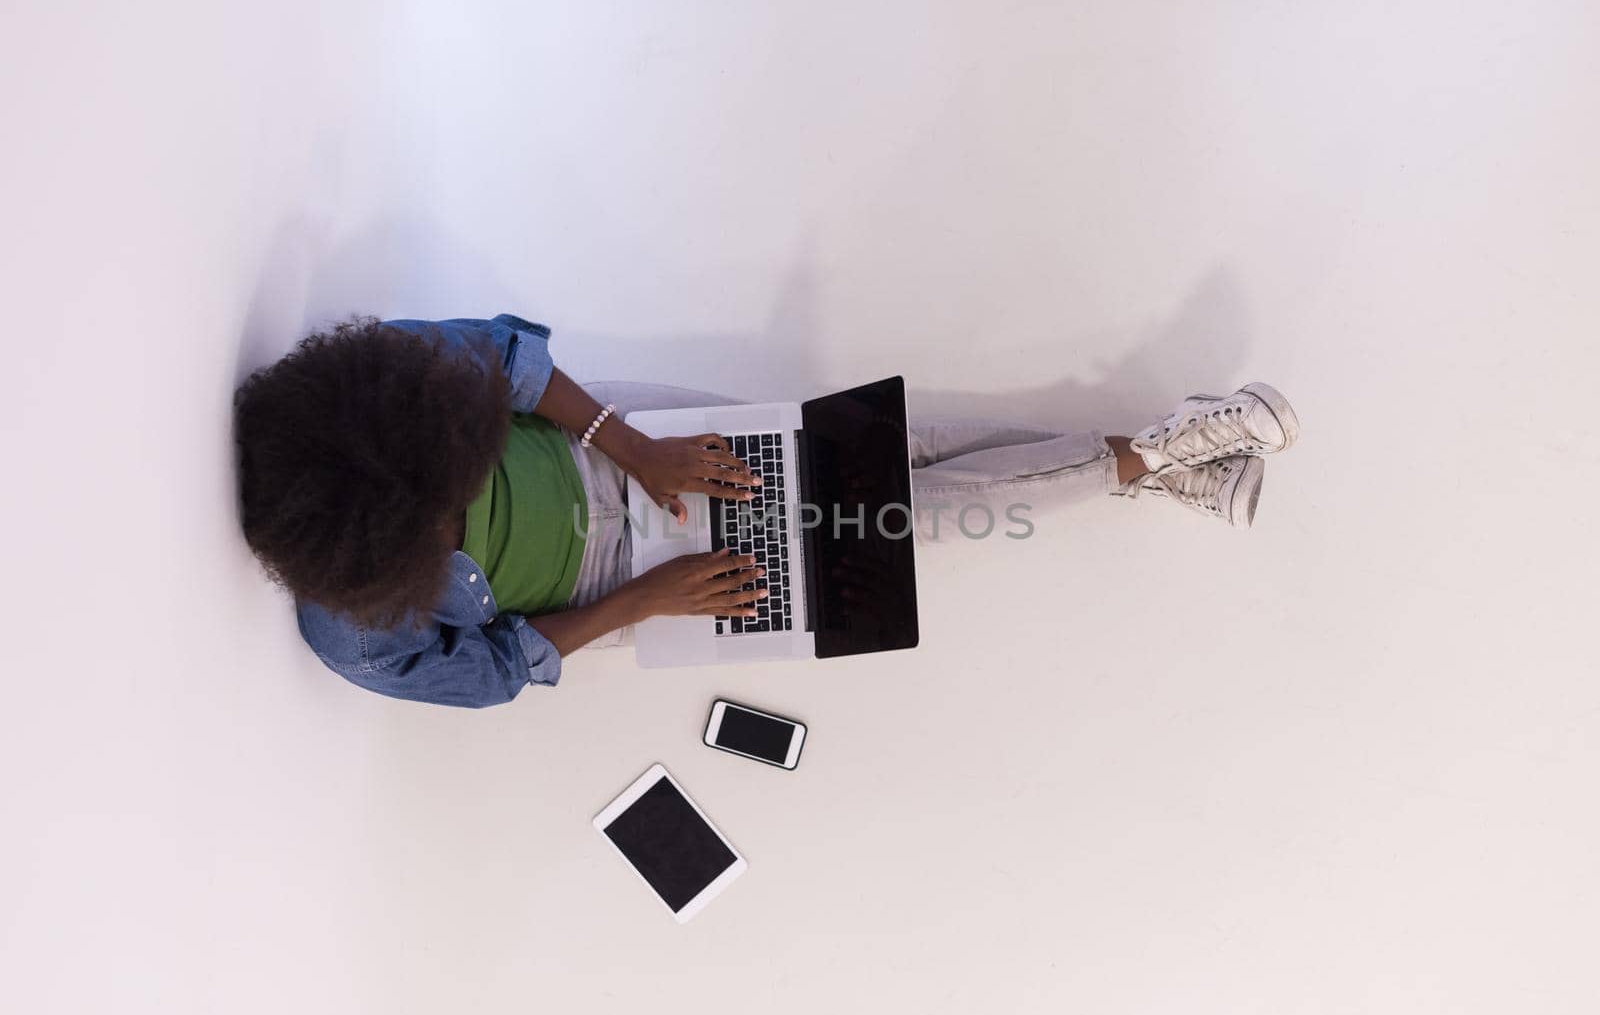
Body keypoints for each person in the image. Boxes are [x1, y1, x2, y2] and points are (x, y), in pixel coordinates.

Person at [234, 314, 1300, 708]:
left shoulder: (372, 392)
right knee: (915, 520)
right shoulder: (351, 635)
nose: (472, 492)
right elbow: (502, 668)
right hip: (636, 589)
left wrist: (637, 446)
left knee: (909, 452)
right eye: (452, 516)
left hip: (636, 452)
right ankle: (1159, 457)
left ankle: (1160, 458)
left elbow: (510, 362)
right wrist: (650, 598)